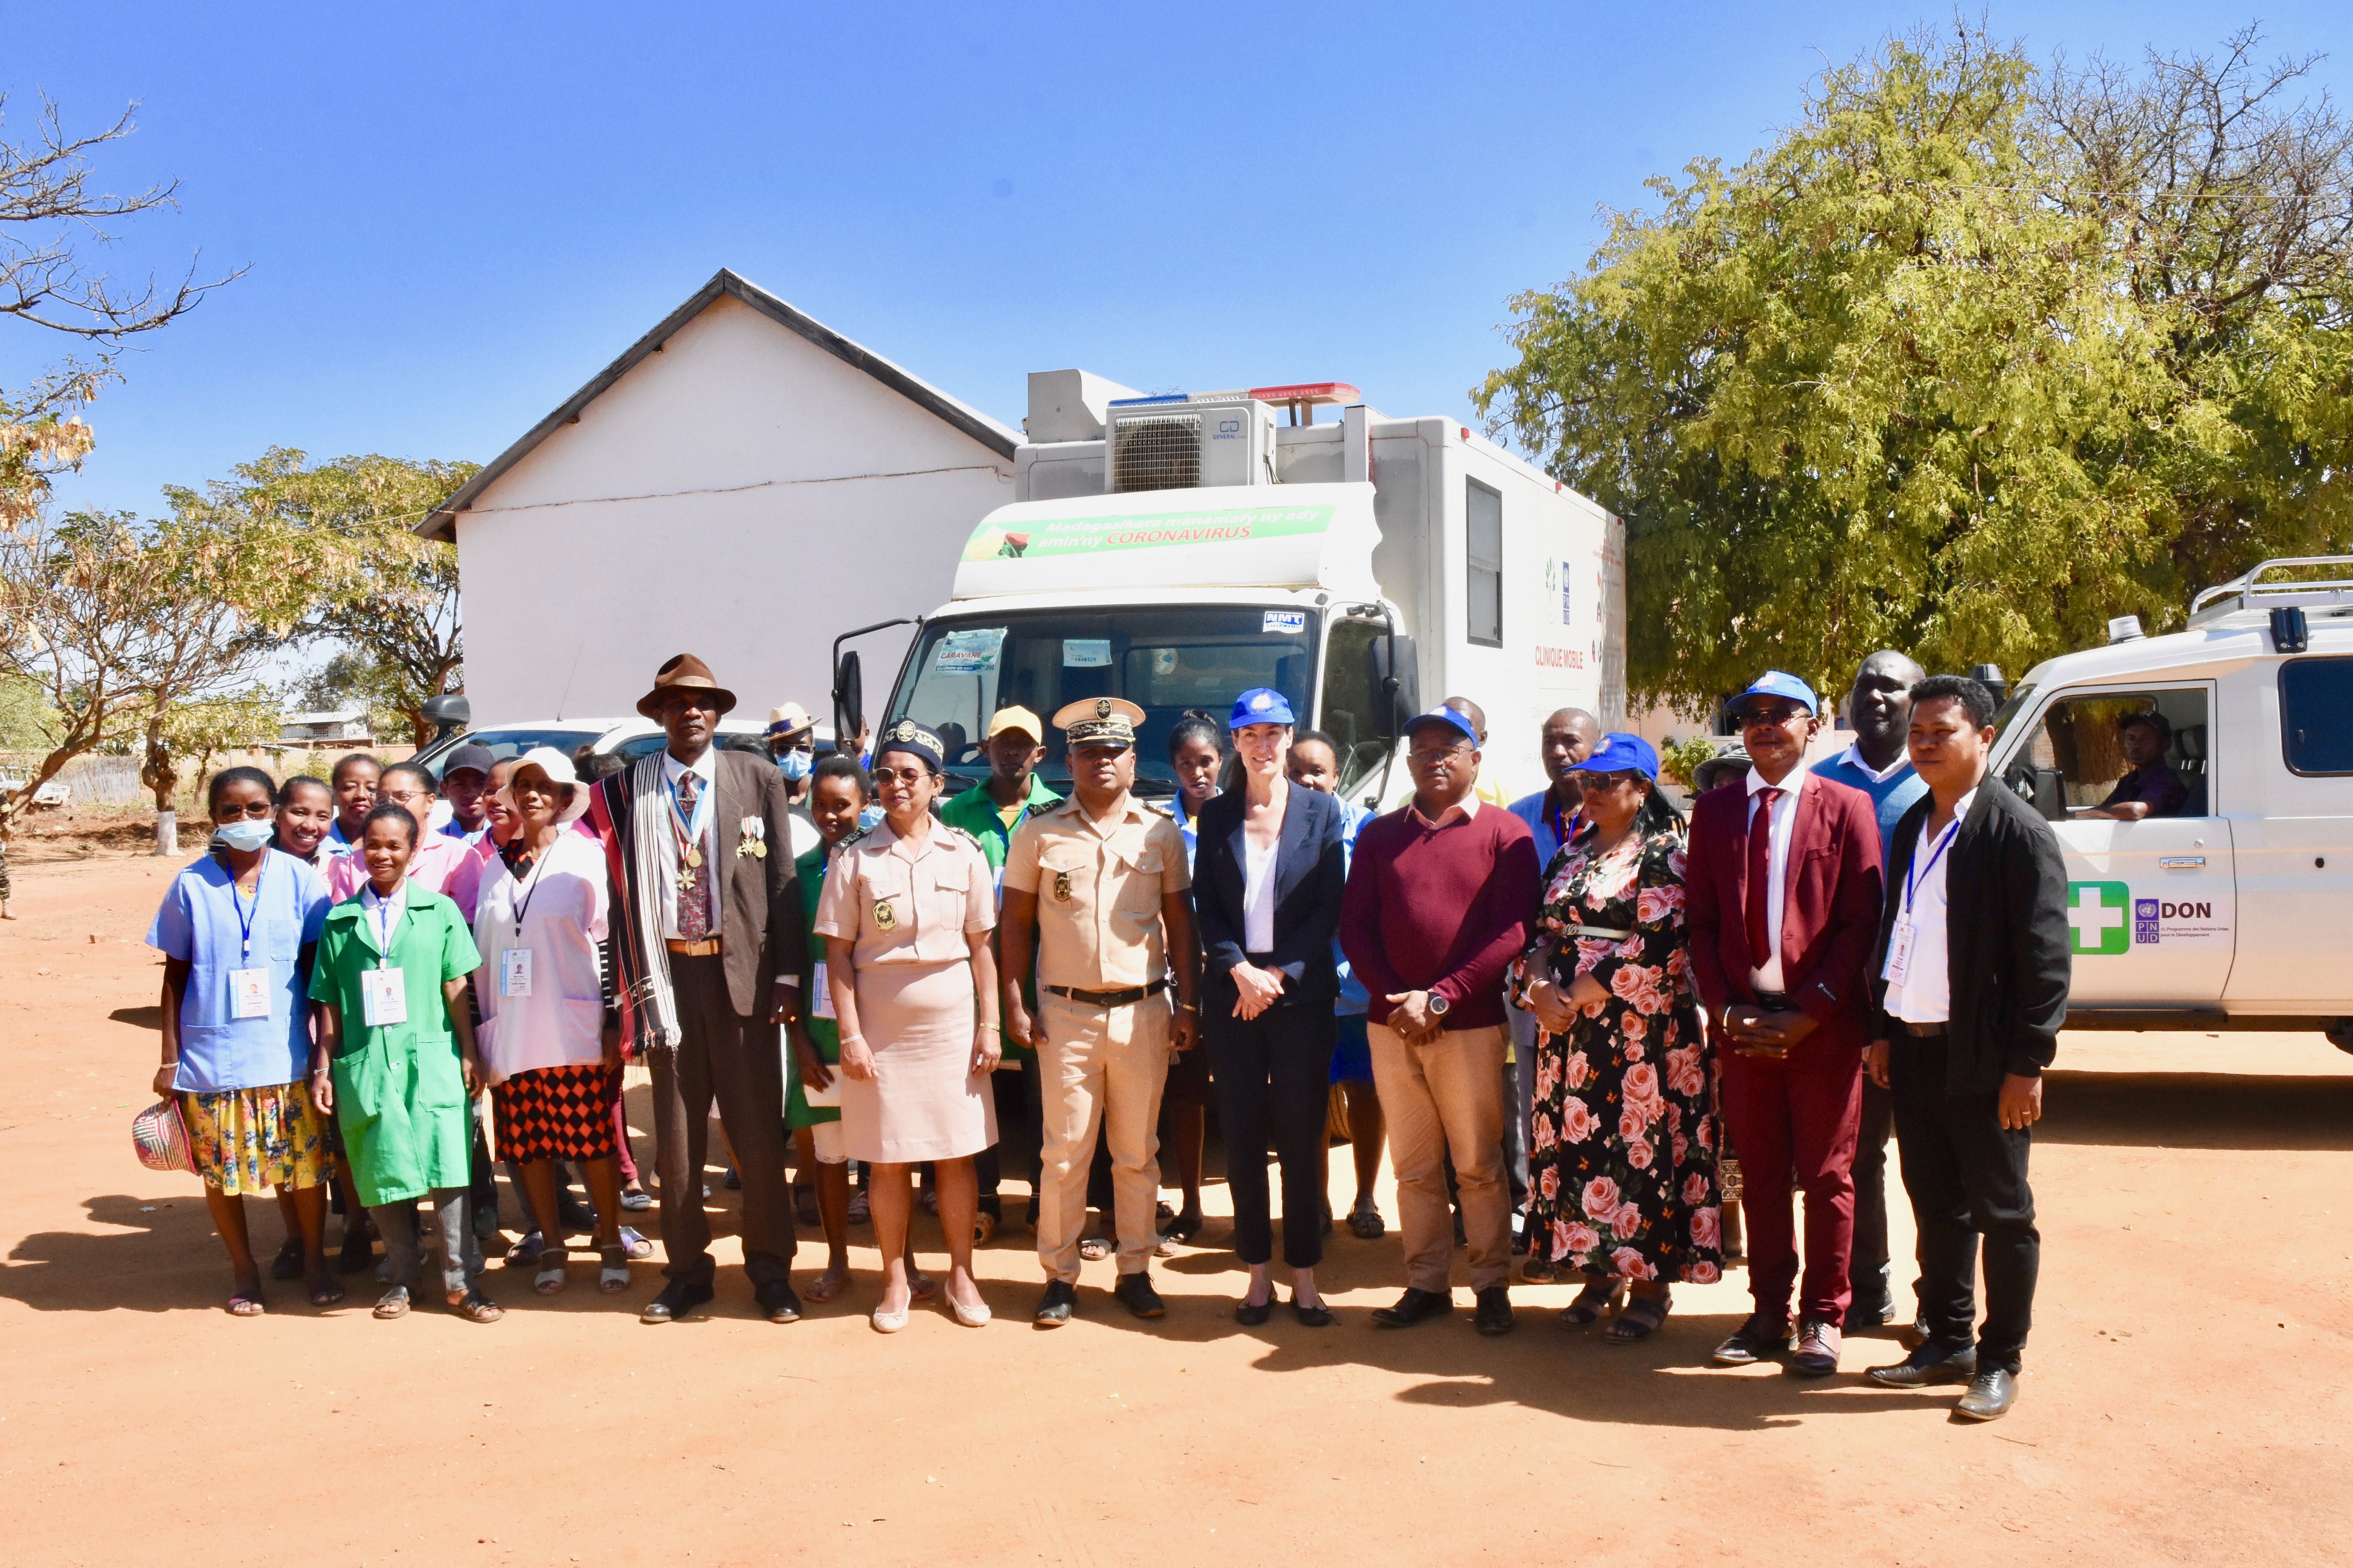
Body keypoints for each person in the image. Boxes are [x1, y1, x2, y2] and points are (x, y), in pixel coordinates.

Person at [1863, 674, 2069, 1422]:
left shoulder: (2016, 832)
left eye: (1939, 731)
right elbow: (1896, 932)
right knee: (1934, 1205)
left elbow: (2044, 960)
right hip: (1913, 1050)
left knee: (2002, 1212)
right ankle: (1944, 1338)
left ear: (1983, 736)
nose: (1923, 743)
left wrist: (2028, 1063)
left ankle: (1997, 1358)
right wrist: (1881, 1028)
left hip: (1983, 1060)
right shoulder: (1913, 821)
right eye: (1916, 731)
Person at [592, 654, 805, 1326]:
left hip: (741, 974)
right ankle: (687, 1271)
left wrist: (789, 974)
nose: (691, 712)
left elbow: (782, 885)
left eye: (703, 702)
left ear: (717, 713)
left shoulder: (757, 776)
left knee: (757, 1134)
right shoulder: (631, 788)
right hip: (669, 975)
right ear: (658, 716)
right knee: (678, 1141)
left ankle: (771, 1269)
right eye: (677, 703)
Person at [1685, 672, 1885, 1376]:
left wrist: (1813, 1009)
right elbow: (1700, 925)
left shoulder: (1848, 805)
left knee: (1829, 1175)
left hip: (1820, 1028)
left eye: (1780, 715)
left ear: (1813, 724)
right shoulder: (1711, 814)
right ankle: (1769, 1310)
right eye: (1751, 716)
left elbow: (1862, 921)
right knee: (1761, 1174)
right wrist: (1723, 1006)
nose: (1764, 726)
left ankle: (1823, 1316)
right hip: (1743, 1027)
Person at [1339, 705, 1540, 1335]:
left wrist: (1442, 998)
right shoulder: (1378, 835)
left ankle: (1490, 1285)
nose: (1434, 758)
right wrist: (1400, 1000)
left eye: (1449, 748)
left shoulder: (1508, 835)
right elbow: (1355, 927)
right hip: (1391, 1023)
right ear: (1408, 762)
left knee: (1478, 1164)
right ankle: (1425, 1281)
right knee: (1416, 1167)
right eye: (1421, 749)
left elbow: (1511, 931)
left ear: (1475, 759)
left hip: (1470, 1026)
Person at [1000, 696, 1201, 1325]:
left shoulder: (1160, 831)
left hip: (1144, 1010)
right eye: (1090, 751)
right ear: (1070, 759)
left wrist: (1189, 1001)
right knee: (1063, 1154)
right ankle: (1060, 1276)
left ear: (1134, 760)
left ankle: (1135, 1268)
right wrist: (1014, 1000)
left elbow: (1180, 921)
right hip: (1065, 1015)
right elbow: (1015, 922)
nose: (1102, 761)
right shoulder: (1039, 831)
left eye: (1114, 750)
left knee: (1137, 1151)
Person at [1517, 734, 1723, 1341]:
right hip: (1571, 1040)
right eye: (1588, 779)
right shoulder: (1569, 853)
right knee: (1583, 1153)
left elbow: (1657, 946)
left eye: (1609, 780)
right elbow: (1539, 935)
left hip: (1641, 1037)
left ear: (1643, 787)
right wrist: (1537, 991)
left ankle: (1651, 1285)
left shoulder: (1665, 855)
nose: (1594, 789)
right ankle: (1596, 1271)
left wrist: (1570, 996)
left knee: (1642, 1154)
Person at [817, 719, 1002, 1331]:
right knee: (887, 1159)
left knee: (955, 1154)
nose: (897, 785)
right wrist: (850, 1034)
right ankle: (894, 1277)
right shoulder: (854, 860)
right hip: (881, 1029)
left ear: (935, 783)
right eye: (887, 774)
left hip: (952, 1027)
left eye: (910, 774)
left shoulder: (965, 851)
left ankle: (961, 1273)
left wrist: (990, 1024)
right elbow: (839, 955)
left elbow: (981, 947)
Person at [146, 767, 341, 1315]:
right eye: (231, 811)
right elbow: (174, 974)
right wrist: (169, 1058)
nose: (245, 820)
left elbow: (318, 972)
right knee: (220, 1172)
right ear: (214, 819)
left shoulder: (301, 881)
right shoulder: (191, 885)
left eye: (256, 808)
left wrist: (323, 1053)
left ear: (275, 811)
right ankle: (243, 1269)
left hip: (286, 1052)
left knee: (304, 1170)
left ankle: (314, 1262)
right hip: (215, 1059)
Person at [309, 800, 500, 1322]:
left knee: (449, 1168)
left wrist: (469, 1051)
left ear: (414, 852)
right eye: (373, 844)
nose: (383, 854)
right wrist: (325, 1065)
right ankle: (403, 1276)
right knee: (381, 1167)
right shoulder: (340, 922)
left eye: (395, 845)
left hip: (431, 1057)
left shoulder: (437, 911)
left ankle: (462, 1282)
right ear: (360, 850)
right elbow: (328, 1003)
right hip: (366, 1062)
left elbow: (455, 983)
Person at [1194, 689, 1348, 1325]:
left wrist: (1278, 974)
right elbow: (1208, 905)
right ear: (1235, 742)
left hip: (1299, 996)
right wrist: (1239, 969)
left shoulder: (1321, 810)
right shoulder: (1215, 815)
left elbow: (1328, 907)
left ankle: (1305, 1277)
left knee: (1300, 1130)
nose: (1263, 744)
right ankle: (1257, 1272)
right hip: (1234, 997)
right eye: (1250, 733)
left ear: (1289, 739)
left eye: (1274, 733)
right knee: (1243, 1131)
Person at [469, 748, 633, 1297]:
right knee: (529, 1147)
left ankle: (610, 1240)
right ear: (513, 797)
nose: (534, 794)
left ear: (566, 799)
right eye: (524, 786)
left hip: (572, 1028)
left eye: (547, 787)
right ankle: (555, 1245)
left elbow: (610, 945)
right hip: (511, 1034)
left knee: (592, 1143)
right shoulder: (493, 864)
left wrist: (613, 1021)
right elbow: (479, 954)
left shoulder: (585, 856)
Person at [1811, 650, 1928, 1330]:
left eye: (1892, 685)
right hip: (1845, 1004)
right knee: (1855, 1154)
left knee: (1931, 1156)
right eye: (1865, 683)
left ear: (1918, 699)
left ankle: (1939, 1303)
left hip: (1922, 1003)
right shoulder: (1821, 781)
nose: (1876, 695)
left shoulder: (1938, 781)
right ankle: (1867, 1284)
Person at [937, 705, 1061, 1239]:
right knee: (977, 1089)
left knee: (1045, 1096)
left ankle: (1041, 1198)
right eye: (1000, 743)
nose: (1011, 752)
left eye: (1022, 744)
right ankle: (984, 1199)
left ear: (1040, 754)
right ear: (985, 749)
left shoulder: (1059, 813)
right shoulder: (955, 813)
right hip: (972, 976)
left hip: (1045, 973)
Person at [1506, 706, 1602, 1271]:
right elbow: (1512, 916)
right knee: (1537, 1119)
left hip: (1603, 1002)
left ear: (1596, 747)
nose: (1559, 751)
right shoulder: (1517, 820)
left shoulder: (1616, 819)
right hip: (1532, 994)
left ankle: (1591, 1237)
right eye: (1550, 741)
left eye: (1571, 741)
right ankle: (1545, 1231)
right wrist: (1536, 983)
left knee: (1592, 1119)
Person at [1289, 730, 1386, 1240]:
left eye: (1317, 771)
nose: (1307, 780)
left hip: (1355, 989)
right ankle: (1318, 1202)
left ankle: (1366, 1197)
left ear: (1337, 776)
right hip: (1299, 992)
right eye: (1296, 771)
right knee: (1310, 1101)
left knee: (1365, 1094)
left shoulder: (1366, 829)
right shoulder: (1272, 826)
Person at [1154, 708, 1222, 1246]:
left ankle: (1252, 1210)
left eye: (1205, 762)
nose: (1196, 774)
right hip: (1181, 980)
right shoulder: (1157, 827)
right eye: (1185, 764)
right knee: (1185, 1092)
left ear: (1221, 761)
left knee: (1247, 1094)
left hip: (1234, 973)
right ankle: (1192, 1207)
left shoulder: (1244, 817)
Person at [326, 762, 470, 900]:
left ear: (430, 801)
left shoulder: (459, 856)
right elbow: (343, 921)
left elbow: (465, 922)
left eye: (402, 797)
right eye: (382, 798)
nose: (391, 805)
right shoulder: (354, 864)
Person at [2083, 710, 2189, 821]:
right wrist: (2075, 816)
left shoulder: (2166, 781)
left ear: (2166, 745)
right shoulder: (2129, 780)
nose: (2136, 745)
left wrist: (2078, 815)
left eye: (2146, 739)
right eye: (2131, 738)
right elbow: (2104, 809)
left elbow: (2134, 811)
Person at [766, 703, 825, 859]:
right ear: (773, 752)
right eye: (784, 749)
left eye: (802, 749)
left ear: (812, 752)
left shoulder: (824, 795)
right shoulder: (764, 798)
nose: (794, 755)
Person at [1442, 696, 1517, 809]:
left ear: (1482, 738)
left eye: (1465, 724)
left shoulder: (1510, 804)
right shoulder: (1410, 805)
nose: (1453, 729)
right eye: (1444, 723)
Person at [323, 752, 381, 857]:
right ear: (335, 794)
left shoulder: (395, 844)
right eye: (350, 787)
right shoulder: (319, 844)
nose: (361, 795)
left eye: (371, 789)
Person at [436, 743, 497, 842]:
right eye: (459, 784)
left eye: (480, 784)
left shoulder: (510, 843)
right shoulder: (430, 844)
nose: (470, 794)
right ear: (444, 789)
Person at [273, 774, 336, 866]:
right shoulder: (253, 864)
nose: (310, 826)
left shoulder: (339, 869)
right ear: (278, 816)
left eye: (322, 817)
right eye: (300, 813)